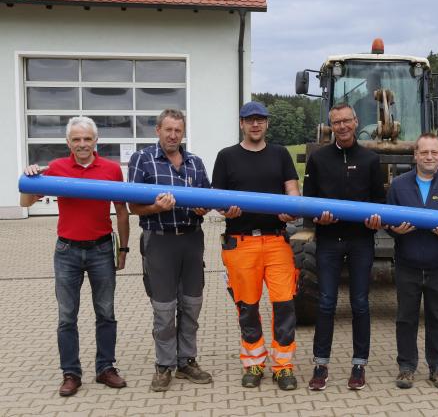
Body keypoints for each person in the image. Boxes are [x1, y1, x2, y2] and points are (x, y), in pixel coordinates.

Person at [20, 116, 129, 397]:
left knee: (106, 313)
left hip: (102, 249)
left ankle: (105, 368)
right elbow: (25, 201)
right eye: (76, 139)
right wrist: (30, 177)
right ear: (69, 142)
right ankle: (71, 373)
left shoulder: (111, 169)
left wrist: (124, 249)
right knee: (67, 316)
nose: (82, 144)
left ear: (96, 141)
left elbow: (122, 210)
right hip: (67, 251)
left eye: (87, 139)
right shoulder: (56, 168)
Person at [212, 101, 300, 390]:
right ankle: (253, 363)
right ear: (241, 123)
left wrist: (293, 208)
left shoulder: (280, 154)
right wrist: (226, 209)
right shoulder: (226, 157)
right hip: (241, 243)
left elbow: (292, 192)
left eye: (260, 120)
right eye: (249, 120)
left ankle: (283, 367)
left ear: (267, 124)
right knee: (247, 307)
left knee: (284, 305)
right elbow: (218, 199)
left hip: (276, 241)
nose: (255, 124)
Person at [128, 108, 212, 392]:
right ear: (158, 130)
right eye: (168, 130)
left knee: (191, 304)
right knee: (164, 308)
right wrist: (155, 208)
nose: (173, 135)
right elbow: (133, 206)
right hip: (159, 240)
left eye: (178, 130)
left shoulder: (194, 162)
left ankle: (186, 361)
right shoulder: (143, 159)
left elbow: (207, 197)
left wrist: (204, 207)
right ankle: (164, 365)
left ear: (183, 132)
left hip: (191, 240)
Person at [303, 103, 385, 391]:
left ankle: (359, 364)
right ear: (330, 126)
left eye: (346, 121)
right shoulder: (319, 159)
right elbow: (308, 201)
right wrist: (317, 217)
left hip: (361, 240)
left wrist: (376, 220)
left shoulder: (371, 160)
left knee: (360, 304)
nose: (342, 126)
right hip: (329, 240)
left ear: (356, 121)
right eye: (336, 122)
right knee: (326, 303)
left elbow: (379, 202)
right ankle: (320, 364)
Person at [386, 133, 438, 390]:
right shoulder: (398, 185)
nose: (429, 157)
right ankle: (407, 367)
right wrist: (393, 230)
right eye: (424, 152)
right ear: (415, 156)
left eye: (434, 152)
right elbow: (388, 221)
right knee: (406, 317)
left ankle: (437, 367)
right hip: (407, 263)